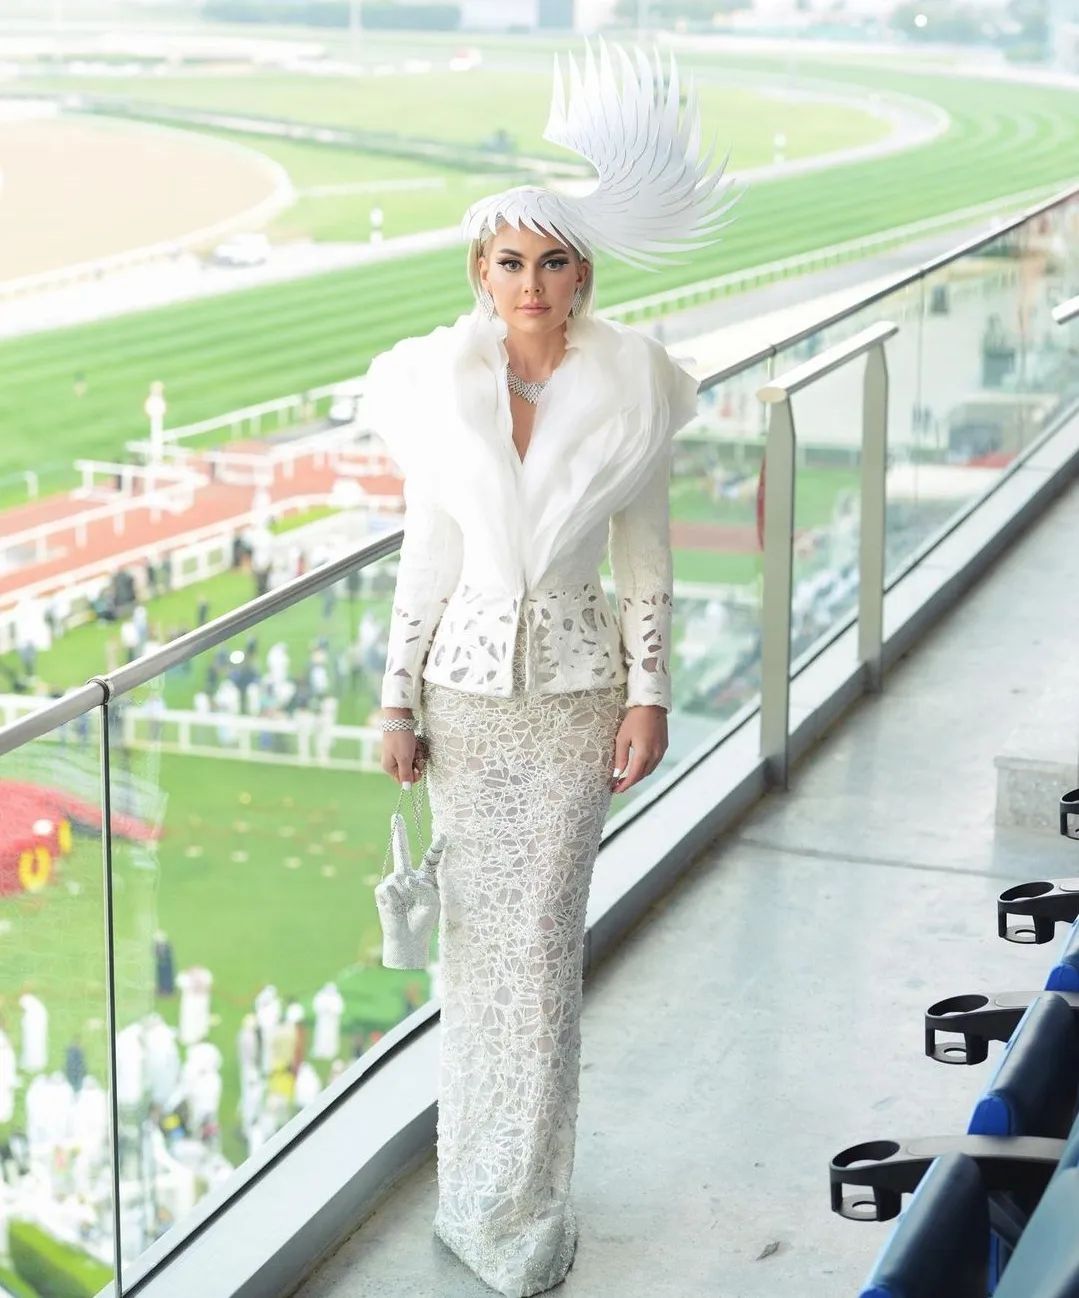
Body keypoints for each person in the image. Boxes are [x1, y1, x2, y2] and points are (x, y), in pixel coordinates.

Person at [366, 38, 738, 1298]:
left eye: (554, 260)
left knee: (536, 946)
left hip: (576, 702)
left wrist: (649, 693)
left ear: (584, 273)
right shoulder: (436, 391)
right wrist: (395, 694)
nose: (532, 281)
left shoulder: (632, 389)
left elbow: (648, 563)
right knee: (477, 949)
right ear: (480, 273)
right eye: (511, 261)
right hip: (464, 707)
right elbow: (425, 558)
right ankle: (472, 1180)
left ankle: (525, 1207)